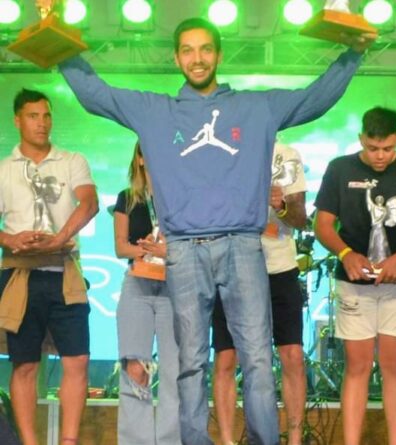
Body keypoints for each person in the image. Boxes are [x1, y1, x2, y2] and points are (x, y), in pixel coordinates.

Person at [56, 12, 374, 445]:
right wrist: (61, 51)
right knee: (190, 361)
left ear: (219, 55)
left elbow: (314, 98)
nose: (197, 58)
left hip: (243, 246)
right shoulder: (154, 111)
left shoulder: (256, 107)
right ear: (176, 58)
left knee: (257, 358)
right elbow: (97, 95)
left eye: (205, 49)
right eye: (188, 51)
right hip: (184, 250)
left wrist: (353, 54)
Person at [313, 107, 396, 445]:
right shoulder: (339, 168)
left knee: (394, 368)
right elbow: (323, 225)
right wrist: (345, 254)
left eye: (387, 148)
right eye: (372, 148)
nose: (380, 156)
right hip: (353, 283)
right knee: (357, 367)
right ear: (361, 139)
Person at [0, 88, 98, 445]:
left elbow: (89, 203)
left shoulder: (71, 160)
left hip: (64, 270)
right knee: (25, 363)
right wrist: (10, 238)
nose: (42, 123)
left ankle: (68, 441)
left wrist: (60, 239)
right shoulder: (4, 169)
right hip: (20, 274)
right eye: (33, 116)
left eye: (46, 116)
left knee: (78, 360)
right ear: (17, 120)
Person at [212, 142, 309, 445]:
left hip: (280, 267)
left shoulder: (286, 154)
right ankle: (227, 440)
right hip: (231, 265)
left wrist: (281, 206)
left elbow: (301, 218)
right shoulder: (224, 150)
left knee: (292, 355)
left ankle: (295, 439)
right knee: (226, 357)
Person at [112, 143, 180, 445]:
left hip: (173, 287)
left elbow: (189, 245)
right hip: (137, 286)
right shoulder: (127, 198)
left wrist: (166, 251)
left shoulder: (180, 196)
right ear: (139, 159)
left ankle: (170, 440)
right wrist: (145, 250)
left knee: (174, 372)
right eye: (148, 150)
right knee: (135, 369)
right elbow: (120, 247)